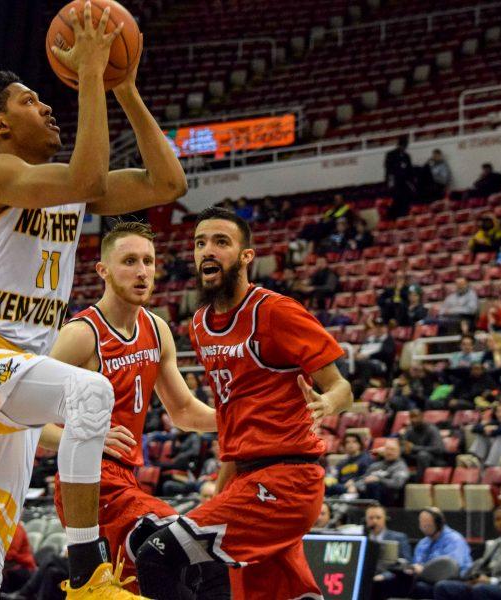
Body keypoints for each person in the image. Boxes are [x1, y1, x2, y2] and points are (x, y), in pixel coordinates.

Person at [0, 7, 187, 597]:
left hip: (15, 379)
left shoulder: (69, 190)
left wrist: (125, 88)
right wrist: (90, 73)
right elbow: (88, 179)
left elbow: (169, 185)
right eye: (29, 101)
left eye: (46, 98)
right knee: (92, 390)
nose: (46, 106)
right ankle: (89, 571)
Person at [135, 207, 354, 600]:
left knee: (157, 555)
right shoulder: (200, 326)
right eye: (200, 242)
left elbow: (342, 387)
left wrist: (326, 403)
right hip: (247, 480)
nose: (208, 250)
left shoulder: (275, 311)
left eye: (221, 242)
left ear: (246, 256)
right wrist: (223, 496)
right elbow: (231, 426)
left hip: (287, 480)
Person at [43, 221, 220, 593]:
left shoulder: (156, 329)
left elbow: (184, 412)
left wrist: (246, 419)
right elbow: (23, 422)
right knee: (181, 548)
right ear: (103, 271)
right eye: (129, 261)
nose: (142, 272)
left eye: (148, 261)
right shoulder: (81, 335)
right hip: (88, 484)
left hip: (127, 480)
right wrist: (83, 436)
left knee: (136, 586)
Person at [433, 506, 501, 600]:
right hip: (482, 583)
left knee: (480, 590)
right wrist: (474, 577)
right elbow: (483, 567)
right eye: (498, 519)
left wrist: (492, 581)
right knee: (443, 587)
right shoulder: (493, 544)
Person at [408, 508, 473, 598]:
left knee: (440, 586)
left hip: (456, 581)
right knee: (408, 584)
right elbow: (416, 564)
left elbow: (450, 570)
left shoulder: (454, 540)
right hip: (429, 580)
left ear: (438, 523)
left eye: (426, 522)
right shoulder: (423, 543)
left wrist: (423, 571)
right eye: (421, 522)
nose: (422, 526)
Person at [353, 439, 410, 505]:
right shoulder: (375, 466)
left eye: (392, 449)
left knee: (373, 485)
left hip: (388, 500)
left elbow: (397, 484)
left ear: (399, 452)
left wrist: (379, 479)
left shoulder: (400, 466)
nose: (389, 452)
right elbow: (363, 479)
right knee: (344, 488)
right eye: (387, 449)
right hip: (366, 494)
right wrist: (355, 486)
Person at [400, 408, 445, 481]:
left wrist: (414, 448)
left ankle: (419, 482)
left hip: (433, 458)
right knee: (397, 454)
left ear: (422, 417)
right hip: (415, 457)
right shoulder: (409, 430)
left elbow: (438, 449)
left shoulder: (432, 429)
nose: (413, 420)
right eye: (411, 417)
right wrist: (404, 449)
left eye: (416, 417)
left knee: (422, 455)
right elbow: (404, 445)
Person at [470, 402, 501, 467]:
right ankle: (476, 459)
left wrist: (493, 430)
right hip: (494, 449)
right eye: (499, 412)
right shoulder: (495, 422)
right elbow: (475, 428)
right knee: (481, 435)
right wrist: (484, 429)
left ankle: (490, 466)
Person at [386, 136, 416, 218]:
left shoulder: (407, 156)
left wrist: (411, 183)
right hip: (395, 184)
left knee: (405, 203)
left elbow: (410, 170)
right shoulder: (390, 155)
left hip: (405, 184)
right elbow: (389, 171)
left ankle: (404, 217)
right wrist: (391, 184)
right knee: (396, 203)